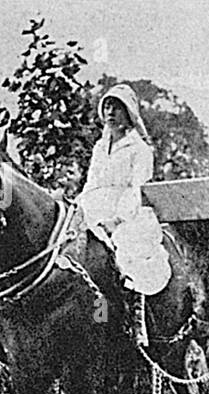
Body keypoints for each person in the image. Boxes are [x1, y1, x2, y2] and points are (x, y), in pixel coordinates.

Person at [77, 84, 169, 347]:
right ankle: (83, 319)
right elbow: (90, 184)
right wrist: (79, 209)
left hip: (127, 212)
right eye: (107, 106)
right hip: (94, 208)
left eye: (117, 107)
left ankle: (134, 318)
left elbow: (136, 189)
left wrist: (115, 220)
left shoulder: (139, 149)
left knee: (126, 256)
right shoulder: (99, 148)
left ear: (129, 112)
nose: (110, 112)